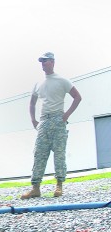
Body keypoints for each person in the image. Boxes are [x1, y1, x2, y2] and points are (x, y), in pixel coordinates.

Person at [21, 52, 82, 199]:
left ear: (53, 62)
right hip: (43, 121)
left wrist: (66, 115)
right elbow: (32, 102)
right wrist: (33, 120)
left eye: (45, 61)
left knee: (59, 154)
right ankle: (35, 188)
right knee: (39, 153)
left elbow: (77, 97)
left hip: (58, 119)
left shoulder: (63, 80)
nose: (43, 63)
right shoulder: (38, 83)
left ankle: (59, 186)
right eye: (41, 61)